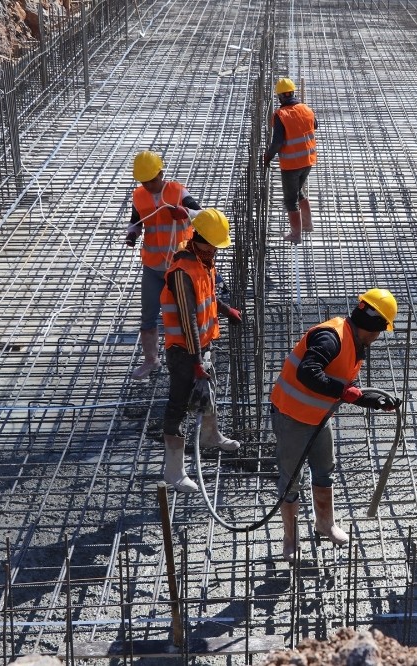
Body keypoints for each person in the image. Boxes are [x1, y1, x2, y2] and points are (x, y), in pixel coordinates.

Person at [270, 289, 401, 562]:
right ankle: (290, 538)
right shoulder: (331, 337)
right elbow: (308, 372)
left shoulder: (355, 343)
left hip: (318, 418)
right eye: (381, 330)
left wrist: (376, 401)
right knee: (291, 480)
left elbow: (347, 386)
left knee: (324, 471)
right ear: (373, 326)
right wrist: (344, 391)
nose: (379, 337)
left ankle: (325, 524)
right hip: (292, 417)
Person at [159, 208, 244, 493]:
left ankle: (211, 435)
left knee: (209, 391)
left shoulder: (203, 260)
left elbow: (207, 296)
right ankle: (174, 471)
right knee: (179, 406)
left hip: (202, 346)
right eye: (215, 245)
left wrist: (224, 308)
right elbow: (187, 322)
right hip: (184, 352)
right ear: (201, 239)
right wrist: (196, 362)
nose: (217, 251)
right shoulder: (181, 273)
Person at [125, 150, 203, 381]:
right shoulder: (139, 196)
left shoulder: (178, 191)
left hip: (178, 267)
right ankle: (151, 360)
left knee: (184, 315)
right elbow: (135, 221)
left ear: (161, 173)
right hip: (152, 266)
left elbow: (201, 215)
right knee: (148, 316)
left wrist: (185, 212)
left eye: (152, 180)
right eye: (144, 182)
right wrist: (132, 234)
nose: (148, 185)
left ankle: (192, 357)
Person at [262, 77, 318, 244]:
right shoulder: (307, 109)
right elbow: (315, 125)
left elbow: (277, 142)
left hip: (291, 164)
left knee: (290, 199)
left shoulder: (281, 115)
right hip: (308, 160)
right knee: (299, 191)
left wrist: (268, 156)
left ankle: (296, 234)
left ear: (280, 97)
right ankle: (307, 225)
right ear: (292, 92)